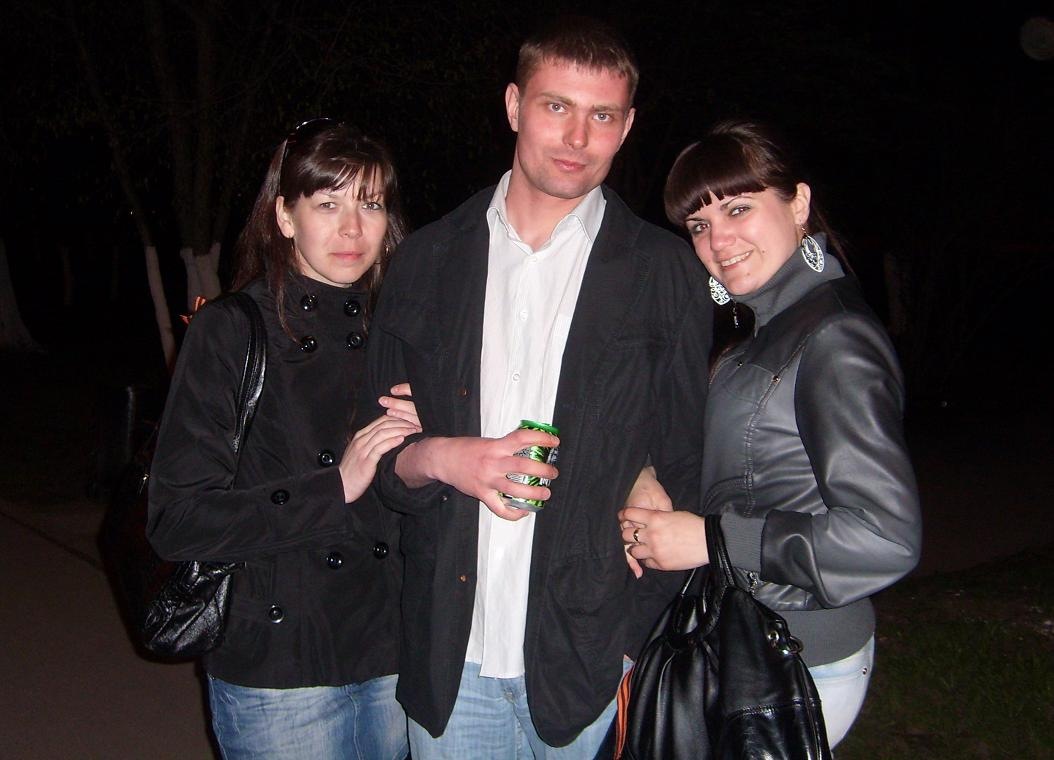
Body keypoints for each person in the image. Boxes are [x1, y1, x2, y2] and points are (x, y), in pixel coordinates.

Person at [361, 17, 713, 759]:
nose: (578, 137)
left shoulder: (664, 272)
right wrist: (440, 458)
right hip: (449, 657)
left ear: (627, 127)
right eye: (557, 106)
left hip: (587, 662)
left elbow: (686, 461)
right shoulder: (426, 261)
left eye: (602, 116)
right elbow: (383, 465)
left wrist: (631, 636)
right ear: (515, 106)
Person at [619, 119, 923, 749]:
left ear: (799, 203)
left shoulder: (834, 336)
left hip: (796, 658)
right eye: (699, 224)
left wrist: (709, 539)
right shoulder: (769, 328)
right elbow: (745, 473)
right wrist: (649, 479)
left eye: (738, 209)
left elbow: (884, 537)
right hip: (743, 637)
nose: (717, 240)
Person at [147, 120, 416, 760]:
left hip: (393, 653)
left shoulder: (406, 333)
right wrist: (334, 486)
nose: (352, 229)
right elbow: (177, 521)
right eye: (327, 204)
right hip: (279, 668)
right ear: (285, 216)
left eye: (369, 204)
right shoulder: (230, 330)